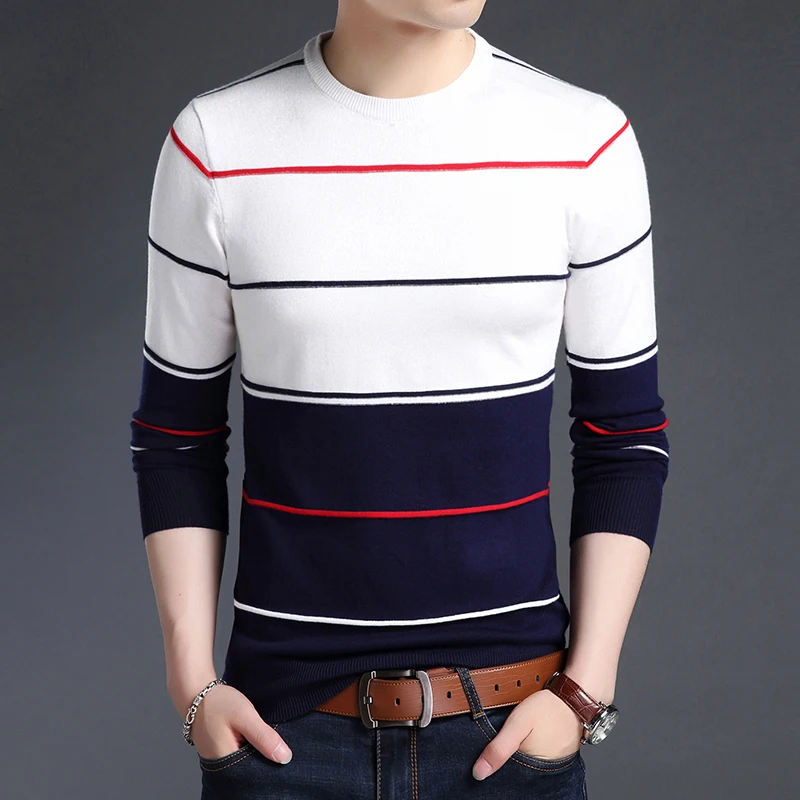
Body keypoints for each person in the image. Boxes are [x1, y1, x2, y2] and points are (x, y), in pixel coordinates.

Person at [130, 0, 670, 797]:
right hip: (283, 741)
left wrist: (583, 692)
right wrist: (192, 685)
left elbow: (623, 434)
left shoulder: (583, 142)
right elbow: (177, 434)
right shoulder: (217, 143)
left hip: (511, 737)